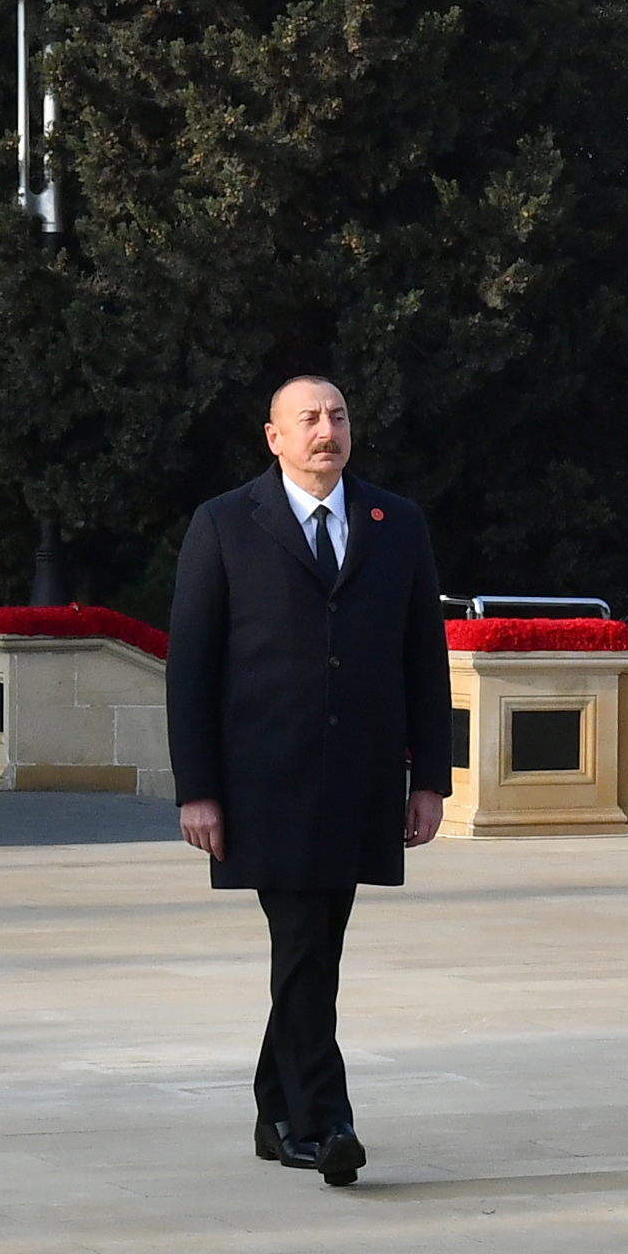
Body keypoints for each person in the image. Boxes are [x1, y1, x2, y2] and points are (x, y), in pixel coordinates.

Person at [165, 375, 454, 1189]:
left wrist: (429, 777)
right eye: (309, 420)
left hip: (361, 781)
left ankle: (272, 1110)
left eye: (337, 416)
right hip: (264, 783)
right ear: (273, 438)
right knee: (300, 941)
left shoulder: (395, 522)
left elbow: (420, 658)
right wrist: (198, 788)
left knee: (316, 948)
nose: (326, 431)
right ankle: (324, 1123)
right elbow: (191, 667)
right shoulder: (224, 525)